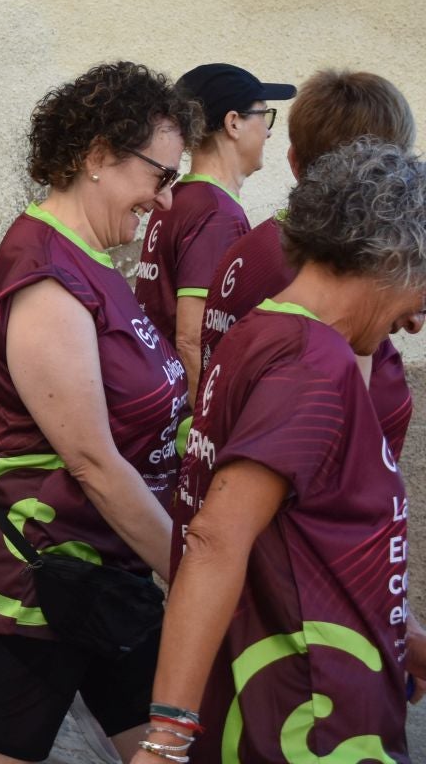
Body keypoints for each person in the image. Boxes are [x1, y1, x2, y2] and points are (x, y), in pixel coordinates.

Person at [0, 62, 197, 763]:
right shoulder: (47, 277)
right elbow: (93, 461)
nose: (164, 201)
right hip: (43, 570)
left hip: (104, 568)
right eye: (160, 177)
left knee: (170, 747)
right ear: (99, 157)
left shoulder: (92, 258)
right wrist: (194, 570)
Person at [148, 140, 426, 764]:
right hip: (305, 720)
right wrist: (164, 740)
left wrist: (400, 638)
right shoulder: (313, 366)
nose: (417, 319)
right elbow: (218, 539)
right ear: (390, 256)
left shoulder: (264, 333)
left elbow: (305, 539)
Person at [197, 70, 416, 451]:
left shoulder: (256, 243)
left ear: (294, 160)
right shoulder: (330, 277)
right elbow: (335, 450)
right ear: (385, 183)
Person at [133, 62, 293, 389]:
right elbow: (193, 339)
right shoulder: (217, 214)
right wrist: (207, 424)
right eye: (265, 116)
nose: (269, 131)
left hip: (161, 388)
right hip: (187, 417)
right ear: (233, 123)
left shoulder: (180, 197)